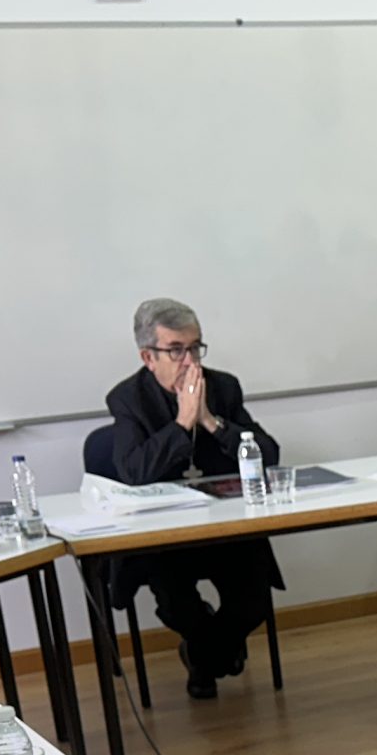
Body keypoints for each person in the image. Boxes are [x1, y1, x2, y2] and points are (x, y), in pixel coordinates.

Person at [104, 297, 285, 697]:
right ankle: (215, 656)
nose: (190, 361)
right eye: (176, 350)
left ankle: (201, 656)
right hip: (164, 536)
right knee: (176, 607)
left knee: (254, 602)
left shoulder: (222, 387)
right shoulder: (128, 399)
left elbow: (269, 455)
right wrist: (183, 422)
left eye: (195, 347)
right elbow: (133, 472)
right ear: (148, 357)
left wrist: (210, 421)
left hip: (226, 527)